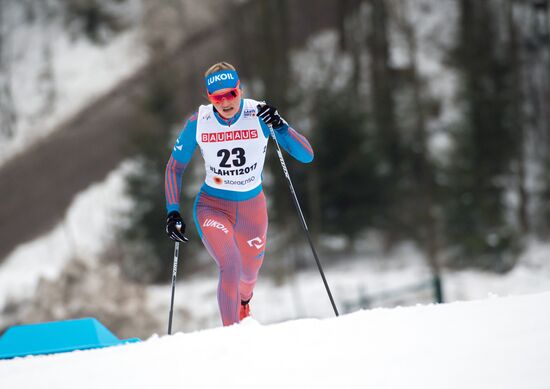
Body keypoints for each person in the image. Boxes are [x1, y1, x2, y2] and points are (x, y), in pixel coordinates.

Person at [164, 62, 314, 326]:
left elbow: (306, 156)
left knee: (249, 274)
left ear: (240, 91)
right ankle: (232, 337)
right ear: (209, 98)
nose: (225, 103)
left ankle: (244, 303)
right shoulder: (199, 122)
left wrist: (280, 126)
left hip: (252, 209)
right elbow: (175, 167)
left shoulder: (260, 114)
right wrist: (172, 211)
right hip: (212, 207)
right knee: (230, 263)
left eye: (230, 94)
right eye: (217, 97)